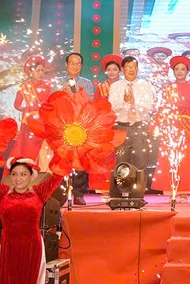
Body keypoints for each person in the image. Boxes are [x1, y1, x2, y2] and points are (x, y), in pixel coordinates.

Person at [151, 56, 190, 202]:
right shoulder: (168, 88)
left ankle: (184, 191)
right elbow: (163, 107)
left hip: (186, 128)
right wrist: (157, 124)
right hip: (170, 127)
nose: (180, 72)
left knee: (185, 159)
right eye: (177, 69)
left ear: (187, 71)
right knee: (169, 158)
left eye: (183, 69)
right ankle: (170, 189)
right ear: (173, 71)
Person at [58, 53, 94, 205]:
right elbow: (53, 103)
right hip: (62, 126)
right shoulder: (58, 83)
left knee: (80, 160)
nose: (75, 66)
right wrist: (64, 96)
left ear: (81, 66)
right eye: (72, 63)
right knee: (61, 159)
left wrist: (74, 94)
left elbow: (89, 104)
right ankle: (59, 193)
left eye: (78, 63)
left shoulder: (86, 83)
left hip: (80, 126)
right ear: (66, 64)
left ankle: (79, 193)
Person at [108, 56, 154, 171]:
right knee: (121, 163)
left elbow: (149, 108)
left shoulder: (145, 86)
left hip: (139, 128)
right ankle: (122, 188)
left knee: (141, 162)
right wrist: (124, 100)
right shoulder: (115, 86)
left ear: (137, 69)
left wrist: (135, 103)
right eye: (128, 67)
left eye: (134, 67)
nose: (131, 70)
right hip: (121, 128)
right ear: (122, 69)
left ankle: (140, 189)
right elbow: (112, 108)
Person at [89, 54, 122, 193]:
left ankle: (120, 187)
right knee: (104, 156)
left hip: (121, 124)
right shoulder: (101, 87)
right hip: (105, 126)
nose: (112, 72)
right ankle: (103, 189)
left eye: (115, 69)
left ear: (120, 70)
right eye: (109, 69)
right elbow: (95, 106)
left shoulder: (124, 86)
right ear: (105, 71)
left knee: (120, 156)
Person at [12, 56, 51, 162]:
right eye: (37, 70)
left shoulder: (47, 86)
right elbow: (16, 105)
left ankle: (42, 173)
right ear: (30, 72)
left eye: (42, 70)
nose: (40, 73)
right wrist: (28, 109)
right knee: (28, 148)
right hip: (29, 123)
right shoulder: (24, 87)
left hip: (43, 120)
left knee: (44, 148)